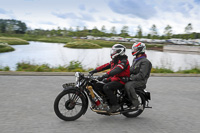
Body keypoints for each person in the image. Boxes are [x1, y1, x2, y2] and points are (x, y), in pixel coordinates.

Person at [89, 44, 130, 113]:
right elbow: (105, 66)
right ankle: (107, 101)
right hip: (115, 78)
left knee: (106, 87)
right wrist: (94, 70)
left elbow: (115, 70)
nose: (113, 52)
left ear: (120, 52)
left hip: (121, 81)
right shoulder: (115, 60)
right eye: (113, 51)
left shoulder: (123, 61)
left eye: (115, 51)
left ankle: (115, 105)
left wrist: (104, 76)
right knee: (98, 84)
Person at [125, 42, 152, 109]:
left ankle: (136, 103)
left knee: (128, 85)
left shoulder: (145, 62)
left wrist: (130, 78)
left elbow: (141, 75)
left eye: (135, 49)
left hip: (140, 81)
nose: (133, 50)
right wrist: (123, 74)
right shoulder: (136, 59)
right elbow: (131, 70)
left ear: (140, 50)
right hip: (134, 79)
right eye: (133, 49)